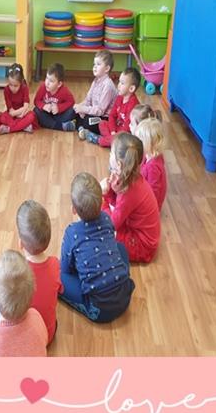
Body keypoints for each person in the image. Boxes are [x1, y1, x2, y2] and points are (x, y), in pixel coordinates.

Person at [60, 172, 135, 323]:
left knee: (56, 274)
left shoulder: (72, 232)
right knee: (120, 247)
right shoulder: (107, 218)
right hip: (125, 296)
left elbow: (66, 269)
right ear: (102, 203)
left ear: (73, 209)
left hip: (100, 309)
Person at [101, 133, 161, 263]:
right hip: (137, 231)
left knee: (102, 233)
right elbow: (119, 205)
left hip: (142, 246)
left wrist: (103, 201)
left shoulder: (129, 191)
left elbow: (111, 225)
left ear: (119, 164)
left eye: (111, 153)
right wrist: (109, 193)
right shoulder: (131, 177)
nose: (109, 154)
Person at [16, 200, 63, 344]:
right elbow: (60, 290)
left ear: (20, 243)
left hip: (26, 342)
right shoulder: (55, 264)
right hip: (48, 334)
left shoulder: (17, 274)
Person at [81, 67, 141, 147]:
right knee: (102, 123)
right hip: (116, 128)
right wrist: (113, 131)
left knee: (121, 138)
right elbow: (112, 115)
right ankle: (112, 141)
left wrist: (116, 134)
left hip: (125, 133)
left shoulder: (133, 104)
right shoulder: (119, 97)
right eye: (119, 81)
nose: (118, 85)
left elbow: (127, 128)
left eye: (122, 83)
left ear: (131, 88)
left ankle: (99, 140)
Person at [74, 50, 118, 136]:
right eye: (94, 64)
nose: (94, 67)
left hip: (104, 118)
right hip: (94, 113)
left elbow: (100, 111)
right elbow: (88, 100)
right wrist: (79, 107)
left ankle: (82, 128)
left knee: (87, 121)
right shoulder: (95, 81)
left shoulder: (108, 86)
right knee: (75, 112)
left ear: (107, 69)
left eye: (98, 64)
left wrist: (83, 109)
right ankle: (81, 129)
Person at [0, 63, 37, 134]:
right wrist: (17, 114)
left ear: (21, 82)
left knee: (31, 116)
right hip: (14, 114)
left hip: (22, 114)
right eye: (10, 85)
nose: (12, 88)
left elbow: (26, 106)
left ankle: (9, 129)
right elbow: (11, 111)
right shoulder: (6, 90)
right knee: (3, 118)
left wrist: (20, 114)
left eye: (15, 86)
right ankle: (23, 126)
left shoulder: (25, 88)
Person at [133, 118, 167, 211]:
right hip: (144, 192)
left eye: (140, 141)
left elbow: (153, 192)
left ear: (149, 143)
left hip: (150, 206)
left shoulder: (153, 167)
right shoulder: (150, 154)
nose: (137, 143)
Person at [33, 62, 76, 131]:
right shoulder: (43, 87)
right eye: (46, 78)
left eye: (51, 81)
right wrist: (44, 106)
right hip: (46, 114)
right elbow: (36, 101)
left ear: (59, 84)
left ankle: (51, 124)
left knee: (72, 110)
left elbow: (71, 102)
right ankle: (61, 126)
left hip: (58, 115)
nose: (47, 83)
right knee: (36, 111)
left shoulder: (64, 90)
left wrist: (59, 108)